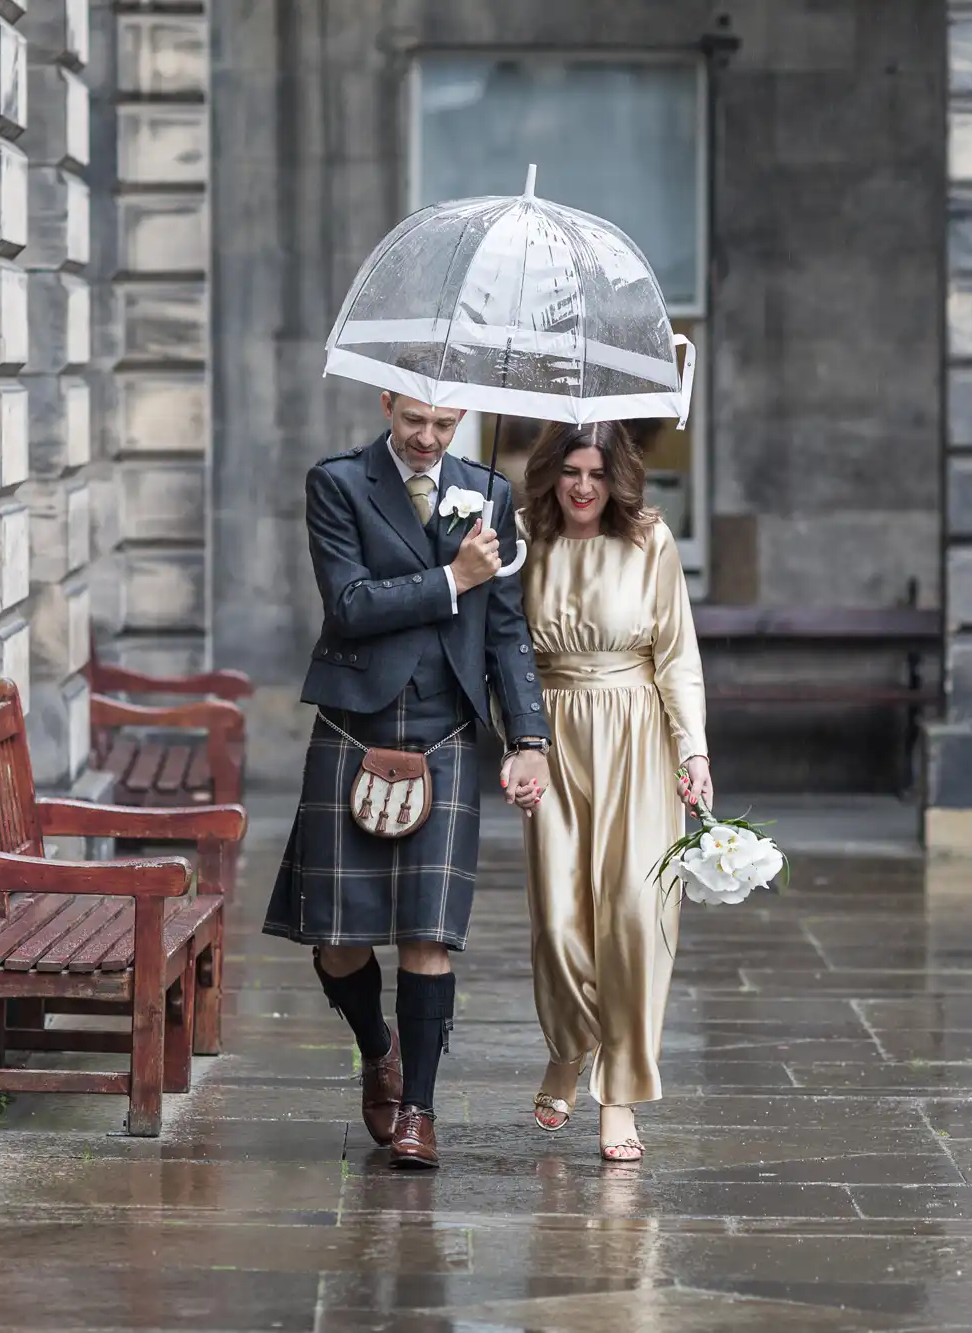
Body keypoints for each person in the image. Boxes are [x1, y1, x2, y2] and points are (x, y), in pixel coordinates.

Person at [263, 392, 552, 1170]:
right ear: (386, 403)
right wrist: (452, 576)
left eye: (444, 424)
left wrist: (529, 735)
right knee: (336, 940)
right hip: (355, 727)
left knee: (430, 932)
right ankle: (378, 1047)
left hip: (447, 730)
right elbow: (349, 604)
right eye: (413, 421)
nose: (427, 439)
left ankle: (419, 1109)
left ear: (463, 416)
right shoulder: (339, 483)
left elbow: (506, 626)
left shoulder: (488, 491)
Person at [514, 420, 712, 1162]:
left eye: (598, 473)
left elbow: (677, 654)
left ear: (617, 477)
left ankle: (619, 1090)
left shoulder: (649, 540)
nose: (584, 487)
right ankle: (570, 1046)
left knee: (634, 913)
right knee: (560, 922)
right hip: (552, 734)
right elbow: (505, 650)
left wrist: (692, 749)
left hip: (637, 732)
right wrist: (517, 742)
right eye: (571, 471)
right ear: (551, 473)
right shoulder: (524, 538)